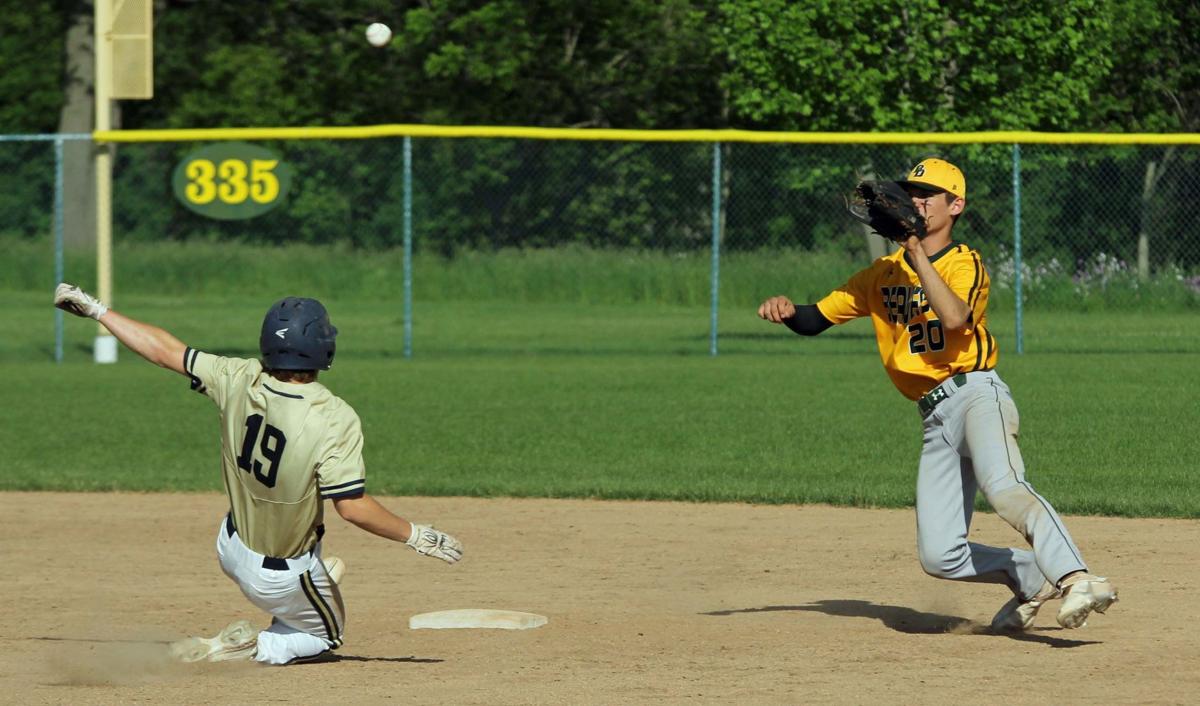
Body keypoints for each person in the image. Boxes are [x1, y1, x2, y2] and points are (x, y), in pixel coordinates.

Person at [757, 158, 1117, 631]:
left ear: (956, 205)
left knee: (1005, 488)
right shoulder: (880, 274)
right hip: (933, 417)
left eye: (929, 194)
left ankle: (1077, 576)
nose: (917, 201)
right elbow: (816, 318)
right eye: (912, 193)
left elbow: (953, 319)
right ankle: (1029, 574)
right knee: (940, 554)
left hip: (975, 395)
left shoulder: (965, 262)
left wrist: (915, 252)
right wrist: (787, 311)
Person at [54, 285, 464, 663]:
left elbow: (166, 351)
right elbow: (353, 508)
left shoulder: (238, 377)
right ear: (324, 348)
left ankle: (308, 587)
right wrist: (415, 535)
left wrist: (98, 311)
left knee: (309, 550)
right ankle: (246, 647)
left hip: (230, 546)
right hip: (278, 575)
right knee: (327, 635)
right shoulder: (334, 416)